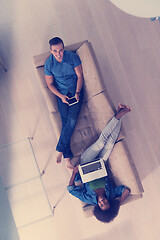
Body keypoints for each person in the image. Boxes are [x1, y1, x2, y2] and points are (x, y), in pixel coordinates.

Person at [67, 103, 131, 223]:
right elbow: (126, 190)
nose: (102, 200)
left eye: (101, 204)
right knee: (111, 143)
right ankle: (119, 115)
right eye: (106, 202)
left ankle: (119, 115)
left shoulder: (89, 199)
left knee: (101, 142)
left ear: (98, 207)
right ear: (109, 202)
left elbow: (71, 189)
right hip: (101, 163)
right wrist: (118, 205)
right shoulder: (111, 194)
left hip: (86, 162)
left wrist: (74, 173)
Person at [45, 37, 83, 169]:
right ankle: (67, 158)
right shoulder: (49, 64)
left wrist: (77, 93)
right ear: (51, 50)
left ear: (63, 48)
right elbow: (49, 84)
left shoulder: (72, 57)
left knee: (71, 121)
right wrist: (61, 96)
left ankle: (61, 151)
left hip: (75, 92)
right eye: (55, 51)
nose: (59, 54)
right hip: (61, 95)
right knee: (65, 121)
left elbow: (80, 76)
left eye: (61, 50)